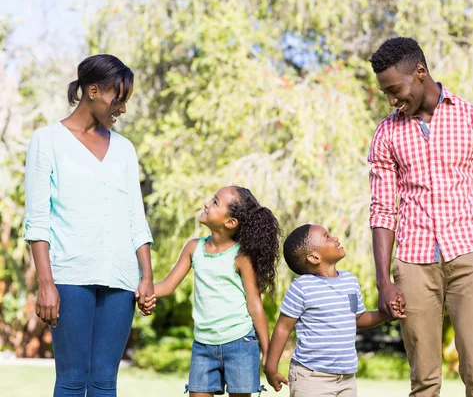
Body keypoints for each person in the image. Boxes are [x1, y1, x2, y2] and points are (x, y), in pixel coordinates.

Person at [368, 37, 473, 397]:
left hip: (470, 255)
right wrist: (383, 281)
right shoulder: (387, 133)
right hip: (414, 263)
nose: (391, 100)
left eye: (395, 89)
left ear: (420, 73)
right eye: (385, 93)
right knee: (423, 380)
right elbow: (383, 210)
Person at [23, 54, 154, 396]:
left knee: (104, 381)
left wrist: (147, 278)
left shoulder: (125, 149)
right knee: (72, 379)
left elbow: (135, 218)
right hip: (69, 276)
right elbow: (38, 221)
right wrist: (46, 284)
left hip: (120, 278)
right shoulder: (47, 140)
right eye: (118, 99)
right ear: (92, 90)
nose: (122, 108)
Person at [141, 186, 279, 396]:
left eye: (215, 202)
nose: (206, 203)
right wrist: (140, 292)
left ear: (230, 222)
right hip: (203, 346)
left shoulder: (240, 257)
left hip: (240, 343)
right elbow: (168, 286)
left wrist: (268, 353)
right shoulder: (193, 248)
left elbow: (255, 305)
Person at [265, 224, 390, 397]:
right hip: (311, 377)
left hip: (346, 378)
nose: (336, 238)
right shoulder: (302, 287)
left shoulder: (350, 282)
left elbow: (357, 319)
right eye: (327, 237)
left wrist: (385, 314)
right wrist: (271, 367)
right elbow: (283, 327)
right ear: (314, 257)